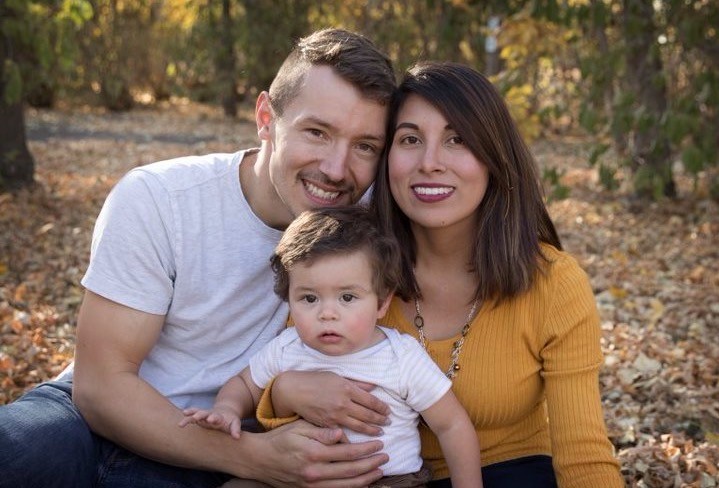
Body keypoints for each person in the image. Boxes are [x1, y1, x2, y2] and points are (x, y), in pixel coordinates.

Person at [0, 28, 398, 488]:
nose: (335, 168)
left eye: (364, 146)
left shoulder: (372, 232)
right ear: (266, 117)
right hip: (88, 418)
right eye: (317, 132)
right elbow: (101, 386)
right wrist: (253, 457)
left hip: (218, 440)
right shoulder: (162, 198)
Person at [261, 61, 625, 487]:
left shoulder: (553, 283)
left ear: (493, 157)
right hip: (373, 475)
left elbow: (584, 457)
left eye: (457, 140)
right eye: (410, 139)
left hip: (509, 472)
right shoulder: (347, 261)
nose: (430, 162)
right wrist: (282, 392)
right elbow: (290, 380)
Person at [180, 206, 483, 488]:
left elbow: (452, 425)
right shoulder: (288, 347)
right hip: (293, 477)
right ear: (289, 299)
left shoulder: (399, 356)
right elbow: (245, 385)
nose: (327, 313)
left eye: (347, 298)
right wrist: (227, 409)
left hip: (386, 479)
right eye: (309, 298)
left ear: (381, 302)